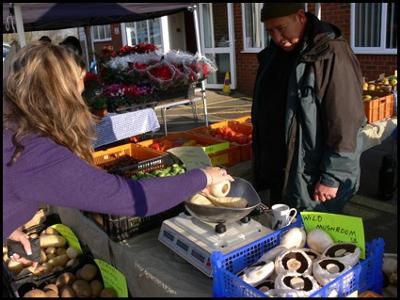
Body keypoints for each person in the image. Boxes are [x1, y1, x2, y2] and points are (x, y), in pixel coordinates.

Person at [3, 42, 233, 263]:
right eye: (77, 92)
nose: (80, 102)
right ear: (59, 97)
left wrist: (9, 225)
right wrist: (203, 177)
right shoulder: (35, 154)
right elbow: (128, 198)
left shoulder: (13, 127)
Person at [251, 3, 366, 213]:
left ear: (300, 16)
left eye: (281, 28)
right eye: (270, 31)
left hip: (312, 177)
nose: (277, 38)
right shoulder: (272, 55)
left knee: (313, 239)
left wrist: (333, 176)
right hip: (282, 171)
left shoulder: (331, 53)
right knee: (285, 238)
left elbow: (346, 121)